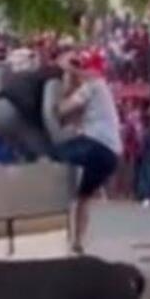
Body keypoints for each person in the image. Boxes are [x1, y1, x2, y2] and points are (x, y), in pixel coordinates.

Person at [52, 50, 121, 255]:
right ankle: (77, 242)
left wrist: (66, 67)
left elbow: (61, 111)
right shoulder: (99, 94)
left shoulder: (94, 86)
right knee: (83, 197)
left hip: (96, 145)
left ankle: (54, 224)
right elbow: (70, 120)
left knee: (53, 155)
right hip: (111, 155)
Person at [0, 51, 69, 162]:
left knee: (25, 151)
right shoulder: (53, 79)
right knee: (45, 151)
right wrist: (60, 141)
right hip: (13, 113)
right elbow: (48, 113)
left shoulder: (28, 75)